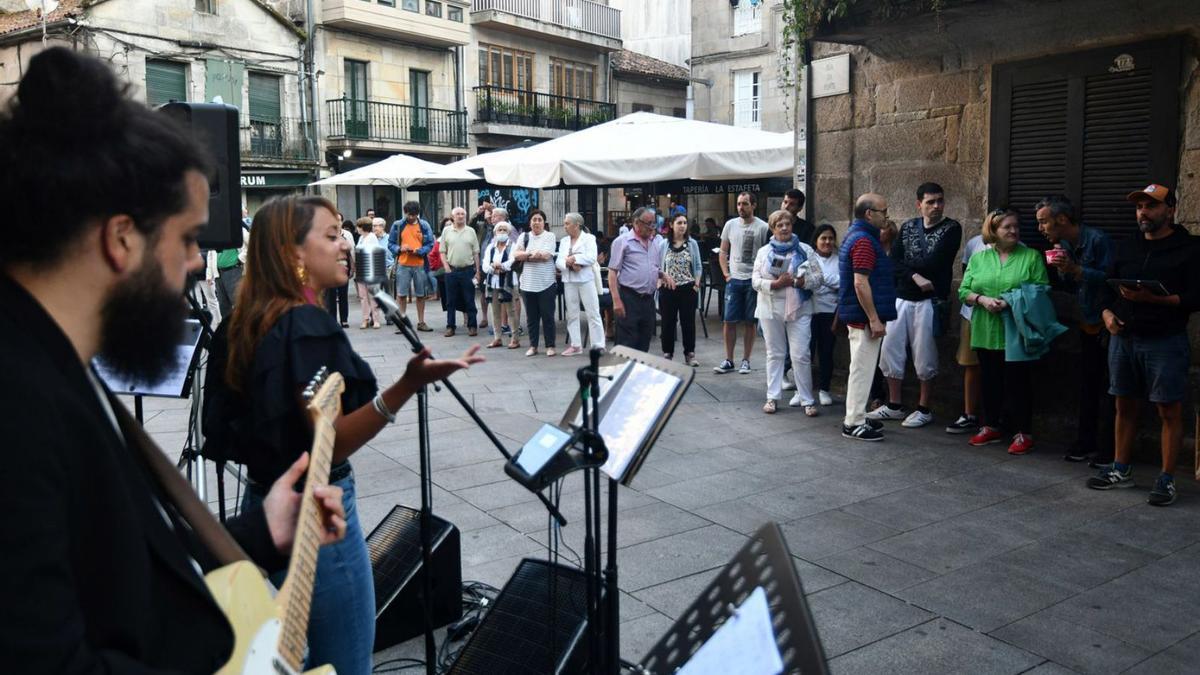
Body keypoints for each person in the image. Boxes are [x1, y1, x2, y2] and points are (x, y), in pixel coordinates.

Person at [0, 47, 349, 671]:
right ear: (121, 238)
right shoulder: (18, 404)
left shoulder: (54, 366)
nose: (198, 262)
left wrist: (258, 533)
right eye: (188, 237)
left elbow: (117, 568)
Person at [210, 195, 483, 674]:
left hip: (264, 503)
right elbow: (329, 441)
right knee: (348, 659)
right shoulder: (306, 326)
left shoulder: (244, 320)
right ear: (293, 253)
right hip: (319, 514)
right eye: (332, 236)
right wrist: (404, 387)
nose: (346, 248)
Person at [1088, 184, 1199, 506]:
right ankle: (1121, 469)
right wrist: (1107, 314)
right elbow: (1107, 288)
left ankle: (1166, 478)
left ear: (1171, 210)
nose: (1143, 213)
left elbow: (1196, 296)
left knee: (1169, 409)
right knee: (1124, 405)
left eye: (1151, 206)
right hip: (1123, 339)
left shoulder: (1190, 248)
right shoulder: (1128, 247)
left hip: (1165, 341)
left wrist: (1157, 299)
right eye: (1139, 207)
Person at [959, 207, 1061, 456]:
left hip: (1017, 331)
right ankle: (991, 425)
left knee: (1019, 383)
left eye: (1016, 226)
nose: (1014, 231)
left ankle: (1023, 432)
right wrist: (982, 300)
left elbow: (1042, 289)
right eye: (1007, 227)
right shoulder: (979, 258)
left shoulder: (1030, 256)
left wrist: (1009, 301)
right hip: (985, 329)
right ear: (993, 230)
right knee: (990, 380)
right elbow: (964, 290)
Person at [868, 182, 962, 428]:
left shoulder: (952, 228)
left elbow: (935, 262)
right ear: (919, 204)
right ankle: (894, 405)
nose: (936, 206)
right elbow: (893, 262)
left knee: (925, 355)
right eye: (930, 202)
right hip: (901, 297)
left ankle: (924, 408)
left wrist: (908, 268)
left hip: (929, 301)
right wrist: (914, 276)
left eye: (940, 201)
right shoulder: (909, 226)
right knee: (890, 350)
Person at [1036, 194, 1115, 463]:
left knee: (1110, 388)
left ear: (1062, 219)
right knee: (1088, 384)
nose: (1040, 229)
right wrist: (1063, 270)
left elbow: (1111, 279)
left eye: (1044, 222)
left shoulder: (1097, 240)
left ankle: (1108, 448)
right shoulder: (1064, 244)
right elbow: (1071, 285)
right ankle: (1086, 441)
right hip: (1085, 322)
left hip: (1107, 323)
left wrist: (1076, 269)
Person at [839, 193, 897, 442]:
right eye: (883, 211)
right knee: (861, 370)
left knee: (861, 369)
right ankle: (853, 423)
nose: (887, 216)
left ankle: (857, 417)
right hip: (863, 318)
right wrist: (874, 318)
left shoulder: (860, 237)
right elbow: (860, 282)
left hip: (861, 316)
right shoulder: (863, 240)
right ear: (869, 214)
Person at [753, 210, 821, 415]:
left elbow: (818, 278)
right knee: (775, 354)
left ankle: (807, 399)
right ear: (773, 228)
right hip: (770, 308)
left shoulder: (805, 249)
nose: (784, 228)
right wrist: (774, 284)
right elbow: (755, 280)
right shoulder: (764, 252)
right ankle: (772, 397)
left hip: (799, 308)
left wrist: (801, 282)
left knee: (801, 354)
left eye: (787, 224)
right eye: (779, 225)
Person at [716, 191, 770, 374]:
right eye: (739, 204)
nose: (741, 207)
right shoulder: (730, 225)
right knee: (728, 320)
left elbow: (766, 254)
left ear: (753, 205)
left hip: (753, 281)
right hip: (734, 280)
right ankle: (728, 359)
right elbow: (723, 251)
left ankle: (746, 360)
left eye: (745, 203)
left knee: (750, 321)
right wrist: (726, 274)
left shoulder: (762, 227)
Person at [610, 206, 671, 352]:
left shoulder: (654, 243)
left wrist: (662, 275)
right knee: (626, 342)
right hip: (629, 297)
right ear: (636, 223)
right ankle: (622, 373)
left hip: (648, 299)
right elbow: (612, 272)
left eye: (654, 223)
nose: (652, 227)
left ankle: (638, 372)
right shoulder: (622, 242)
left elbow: (653, 268)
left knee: (644, 340)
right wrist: (616, 300)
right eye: (648, 223)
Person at [946, 232, 987, 434]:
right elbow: (965, 277)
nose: (1010, 231)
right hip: (972, 314)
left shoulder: (1022, 251)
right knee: (971, 364)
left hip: (1001, 317)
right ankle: (969, 414)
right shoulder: (975, 245)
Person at [557, 212, 605, 356]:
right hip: (569, 280)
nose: (564, 226)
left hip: (585, 280)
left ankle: (598, 345)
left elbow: (591, 258)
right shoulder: (564, 241)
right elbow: (558, 260)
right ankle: (576, 345)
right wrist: (567, 262)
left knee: (593, 312)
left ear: (577, 225)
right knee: (572, 313)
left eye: (567, 223)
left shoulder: (589, 238)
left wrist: (574, 259)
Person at [659, 214, 702, 365]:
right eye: (679, 223)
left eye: (684, 223)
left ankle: (689, 353)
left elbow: (697, 266)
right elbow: (659, 265)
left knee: (688, 322)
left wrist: (696, 284)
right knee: (668, 322)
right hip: (668, 289)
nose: (682, 226)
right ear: (671, 225)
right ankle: (667, 353)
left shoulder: (692, 244)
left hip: (688, 288)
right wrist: (659, 282)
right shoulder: (664, 244)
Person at [514, 209, 559, 356]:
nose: (537, 222)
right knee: (531, 317)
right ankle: (533, 346)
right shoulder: (523, 236)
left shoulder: (550, 236)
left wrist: (526, 255)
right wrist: (532, 255)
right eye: (534, 220)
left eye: (539, 219)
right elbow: (516, 254)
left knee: (548, 316)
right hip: (527, 284)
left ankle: (550, 346)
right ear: (530, 222)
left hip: (546, 283)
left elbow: (546, 256)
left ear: (544, 222)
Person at [388, 200, 435, 332]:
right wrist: (400, 248)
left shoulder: (424, 225)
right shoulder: (398, 225)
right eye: (409, 215)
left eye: (413, 215)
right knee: (401, 295)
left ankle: (421, 322)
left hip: (420, 264)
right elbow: (390, 243)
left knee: (420, 294)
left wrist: (420, 251)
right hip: (403, 264)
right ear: (405, 212)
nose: (411, 217)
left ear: (417, 214)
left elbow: (430, 243)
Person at [809, 224, 841, 406]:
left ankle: (824, 389)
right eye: (823, 238)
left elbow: (843, 282)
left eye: (830, 238)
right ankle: (802, 389)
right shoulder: (808, 258)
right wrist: (826, 281)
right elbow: (806, 281)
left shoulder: (839, 260)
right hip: (809, 311)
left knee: (827, 352)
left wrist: (820, 279)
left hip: (831, 312)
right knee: (806, 352)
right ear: (816, 241)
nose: (827, 242)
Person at [440, 206, 480, 338]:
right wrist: (446, 267)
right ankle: (450, 326)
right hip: (451, 270)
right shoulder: (446, 231)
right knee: (450, 301)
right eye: (458, 214)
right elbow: (442, 251)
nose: (461, 216)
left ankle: (472, 326)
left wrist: (477, 271)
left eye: (463, 214)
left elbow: (476, 253)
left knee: (469, 299)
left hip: (468, 270)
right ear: (453, 217)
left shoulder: (471, 231)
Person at [483, 221, 520, 349]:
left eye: (505, 230)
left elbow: (512, 261)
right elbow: (485, 264)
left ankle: (515, 339)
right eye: (500, 230)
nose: (502, 232)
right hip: (493, 282)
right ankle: (497, 338)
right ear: (495, 232)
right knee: (495, 311)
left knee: (511, 311)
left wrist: (501, 266)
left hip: (508, 282)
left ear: (509, 233)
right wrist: (493, 268)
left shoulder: (513, 245)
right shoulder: (490, 247)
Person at [324, 218, 355, 328]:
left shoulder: (346, 236)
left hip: (343, 267)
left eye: (339, 220)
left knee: (343, 295)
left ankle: (344, 319)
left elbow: (350, 254)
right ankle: (332, 319)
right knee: (330, 296)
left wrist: (352, 268)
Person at [353, 217, 383, 329]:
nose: (357, 228)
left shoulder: (372, 237)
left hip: (371, 270)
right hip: (361, 269)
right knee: (363, 296)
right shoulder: (361, 238)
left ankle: (376, 319)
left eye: (358, 226)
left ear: (363, 227)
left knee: (372, 295)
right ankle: (365, 318)